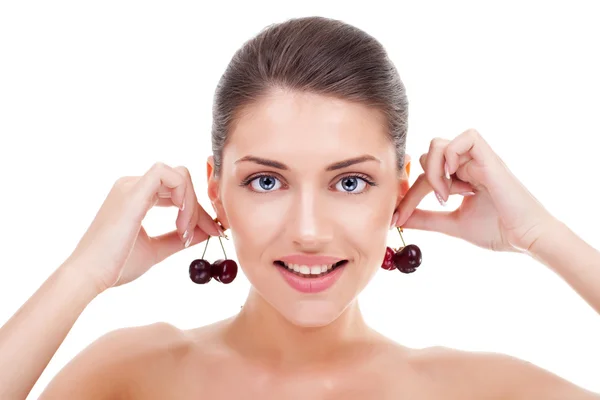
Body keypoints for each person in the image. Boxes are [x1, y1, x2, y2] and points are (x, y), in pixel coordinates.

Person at [1, 16, 598, 399]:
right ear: (217, 191)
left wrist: (542, 234)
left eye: (349, 183)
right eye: (266, 182)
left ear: (400, 188)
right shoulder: (131, 373)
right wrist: (80, 277)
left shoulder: (477, 390)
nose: (308, 232)